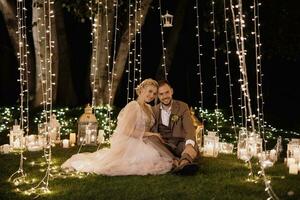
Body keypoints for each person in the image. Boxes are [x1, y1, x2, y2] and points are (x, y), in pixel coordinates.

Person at [61, 78, 175, 176]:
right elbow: (127, 131)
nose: (152, 95)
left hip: (145, 140)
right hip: (132, 141)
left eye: (155, 93)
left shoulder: (149, 108)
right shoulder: (133, 106)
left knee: (160, 156)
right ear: (141, 90)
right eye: (150, 91)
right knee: (148, 159)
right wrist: (151, 134)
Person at [151, 80, 199, 175]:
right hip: (163, 145)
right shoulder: (153, 110)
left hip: (180, 143)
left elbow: (189, 128)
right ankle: (179, 164)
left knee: (192, 147)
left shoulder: (182, 106)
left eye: (167, 92)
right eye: (161, 94)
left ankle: (183, 164)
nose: (165, 96)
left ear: (172, 91)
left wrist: (189, 144)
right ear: (157, 95)